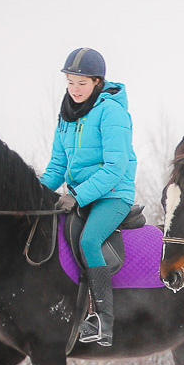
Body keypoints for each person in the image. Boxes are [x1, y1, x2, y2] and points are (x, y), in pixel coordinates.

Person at [40, 47, 137, 347]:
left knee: (89, 241)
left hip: (112, 194)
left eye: (82, 83)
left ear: (97, 82)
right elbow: (57, 165)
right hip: (81, 195)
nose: (75, 89)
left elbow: (115, 167)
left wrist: (78, 196)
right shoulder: (66, 115)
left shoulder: (112, 112)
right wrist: (35, 194)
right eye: (70, 82)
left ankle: (103, 322)